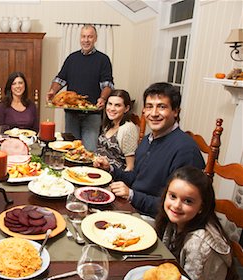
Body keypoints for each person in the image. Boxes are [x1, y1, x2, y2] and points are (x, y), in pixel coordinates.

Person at [94, 82, 204, 217]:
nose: (154, 113)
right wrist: (110, 169)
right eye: (149, 107)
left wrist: (132, 195)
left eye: (162, 107)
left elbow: (177, 207)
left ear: (175, 111)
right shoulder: (148, 140)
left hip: (155, 220)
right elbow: (136, 177)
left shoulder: (185, 150)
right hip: (133, 206)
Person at [155, 166, 234, 280]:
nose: (176, 205)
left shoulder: (199, 245)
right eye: (173, 196)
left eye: (188, 201)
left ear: (201, 207)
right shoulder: (177, 219)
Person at [46, 24, 114, 151]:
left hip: (92, 114)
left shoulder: (103, 59)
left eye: (90, 37)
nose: (86, 40)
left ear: (95, 39)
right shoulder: (72, 58)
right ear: (80, 38)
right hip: (71, 114)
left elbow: (107, 84)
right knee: (71, 148)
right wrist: (52, 91)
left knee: (89, 150)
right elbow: (60, 79)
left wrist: (103, 98)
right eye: (83, 36)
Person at [96, 89, 138, 171]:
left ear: (126, 108)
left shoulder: (128, 128)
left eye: (117, 105)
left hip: (114, 177)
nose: (112, 108)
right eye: (110, 104)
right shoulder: (109, 124)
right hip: (98, 171)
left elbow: (130, 167)